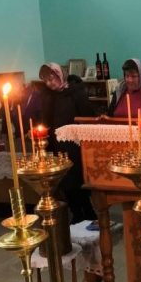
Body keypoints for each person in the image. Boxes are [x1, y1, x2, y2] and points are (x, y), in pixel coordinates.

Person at [38, 62, 97, 223]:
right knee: (65, 181)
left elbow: (87, 116)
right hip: (58, 145)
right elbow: (46, 120)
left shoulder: (75, 92)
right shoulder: (48, 96)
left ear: (60, 75)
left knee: (79, 180)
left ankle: (89, 212)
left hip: (77, 145)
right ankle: (76, 213)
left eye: (52, 78)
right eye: (46, 80)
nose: (50, 83)